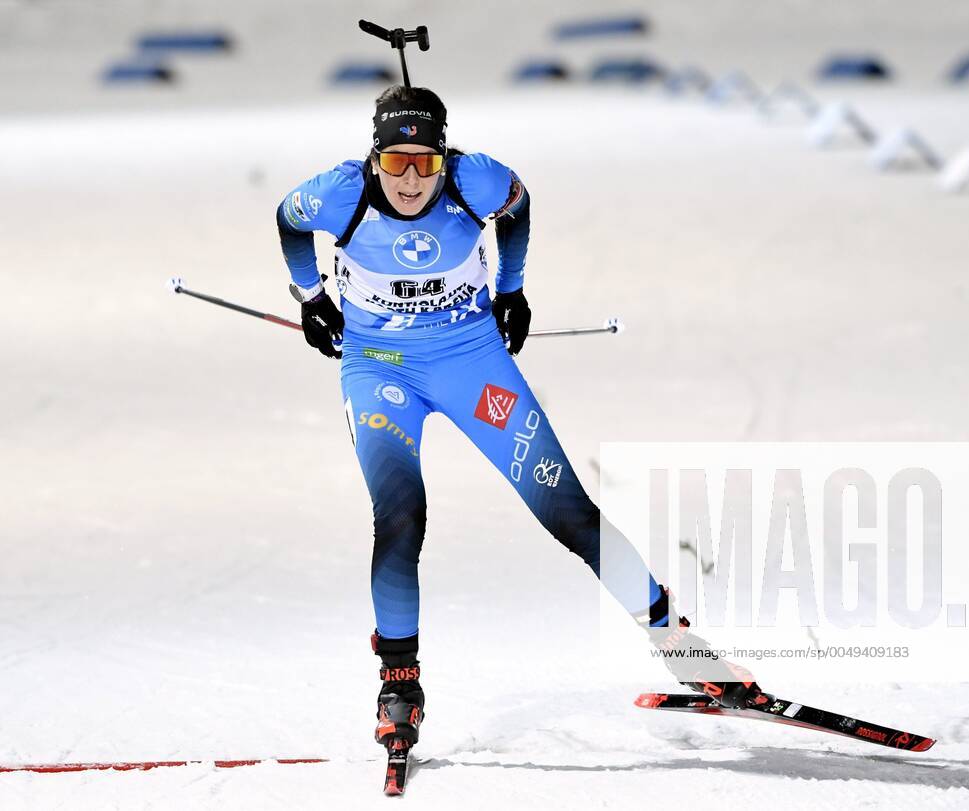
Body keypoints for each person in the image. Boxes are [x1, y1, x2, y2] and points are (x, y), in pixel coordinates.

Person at [276, 85, 769, 757]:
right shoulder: (339, 192)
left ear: (447, 158)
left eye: (426, 162)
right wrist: (311, 296)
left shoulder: (477, 179)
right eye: (397, 164)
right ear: (375, 159)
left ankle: (680, 644)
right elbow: (287, 217)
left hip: (471, 363)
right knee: (400, 514)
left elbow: (519, 204)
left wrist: (512, 288)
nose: (413, 179)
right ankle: (399, 685)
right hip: (380, 370)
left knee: (568, 511)